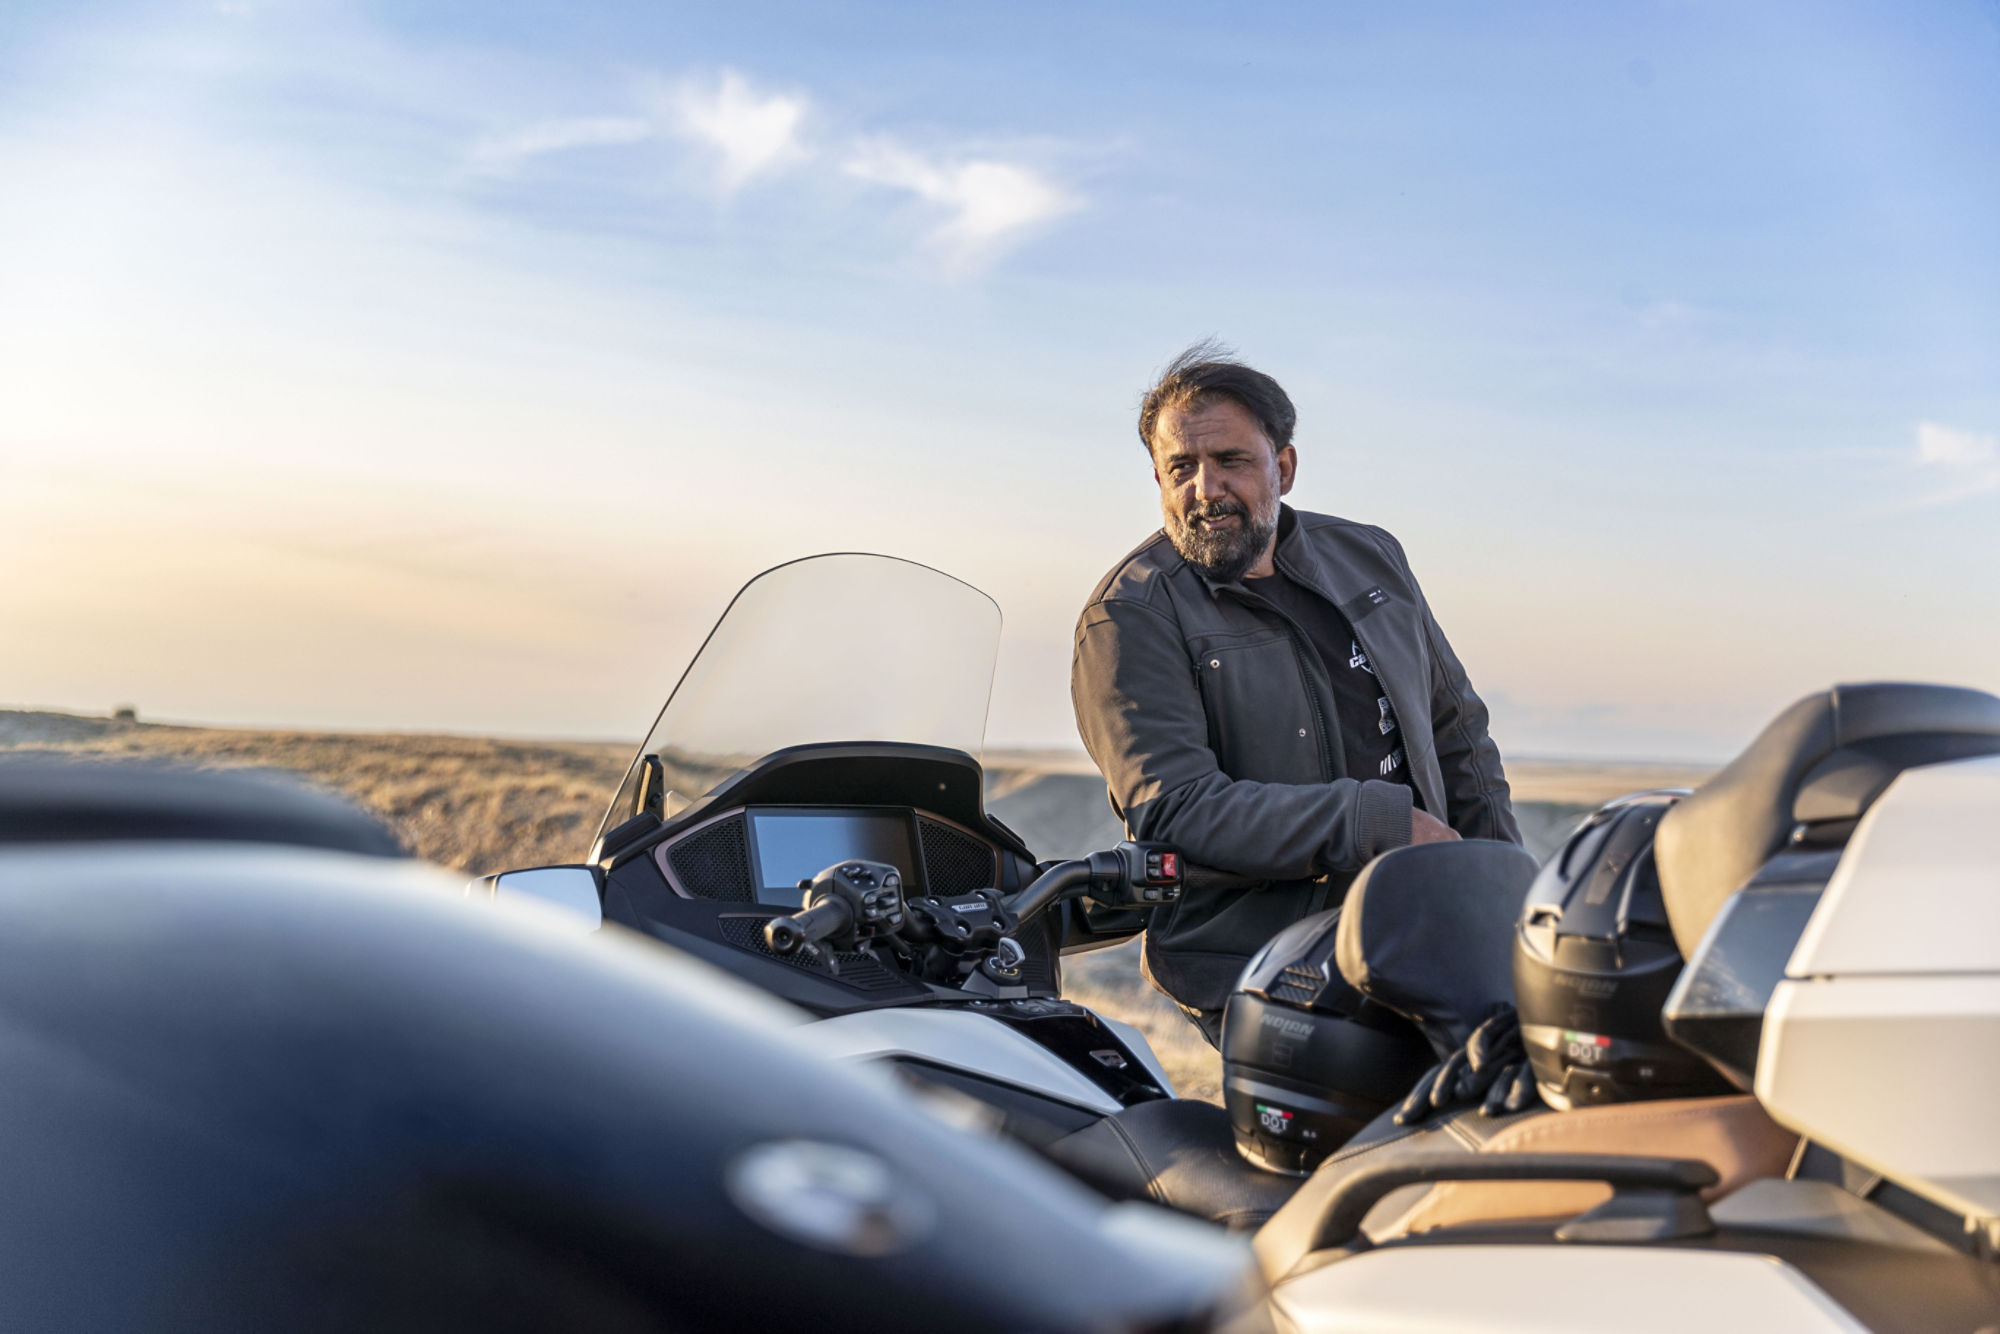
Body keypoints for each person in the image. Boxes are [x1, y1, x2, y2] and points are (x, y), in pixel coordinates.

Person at [1070, 343, 1520, 1047]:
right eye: (1180, 469)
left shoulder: (1370, 556)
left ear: (1283, 466)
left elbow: (1456, 728)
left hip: (1418, 926)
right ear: (1156, 476)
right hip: (1264, 969)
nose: (1204, 490)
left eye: (1230, 462)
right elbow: (1177, 810)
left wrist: (1504, 887)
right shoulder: (1130, 617)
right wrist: (1377, 822)